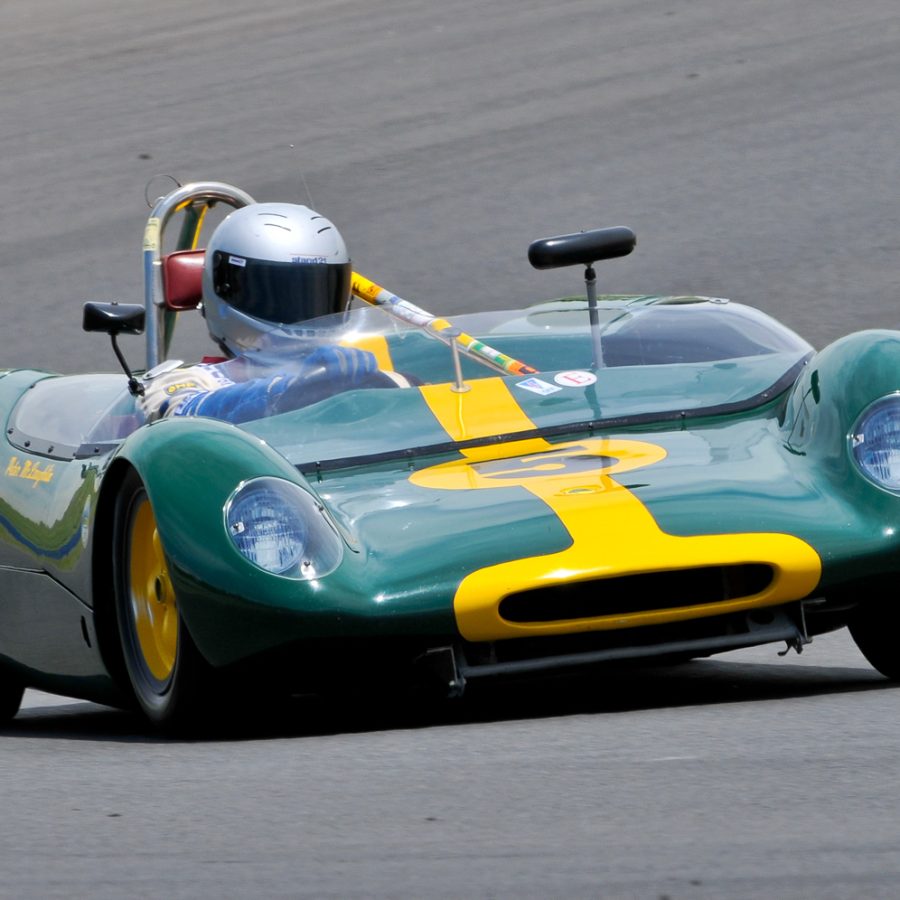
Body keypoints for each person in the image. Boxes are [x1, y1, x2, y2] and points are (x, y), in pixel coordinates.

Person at [138, 202, 409, 424]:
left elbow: (432, 404)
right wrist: (298, 388)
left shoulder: (352, 373)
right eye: (280, 294)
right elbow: (184, 421)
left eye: (315, 294)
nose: (303, 313)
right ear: (226, 287)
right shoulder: (184, 381)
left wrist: (376, 381)